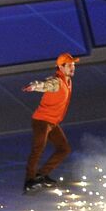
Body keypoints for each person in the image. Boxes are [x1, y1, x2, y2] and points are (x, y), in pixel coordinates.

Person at [21, 52, 78, 194]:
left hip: (52, 122)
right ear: (61, 67)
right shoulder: (57, 82)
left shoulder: (68, 81)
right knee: (38, 149)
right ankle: (29, 181)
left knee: (64, 149)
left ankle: (41, 175)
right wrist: (35, 86)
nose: (72, 68)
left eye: (73, 65)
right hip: (42, 121)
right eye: (69, 65)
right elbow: (46, 85)